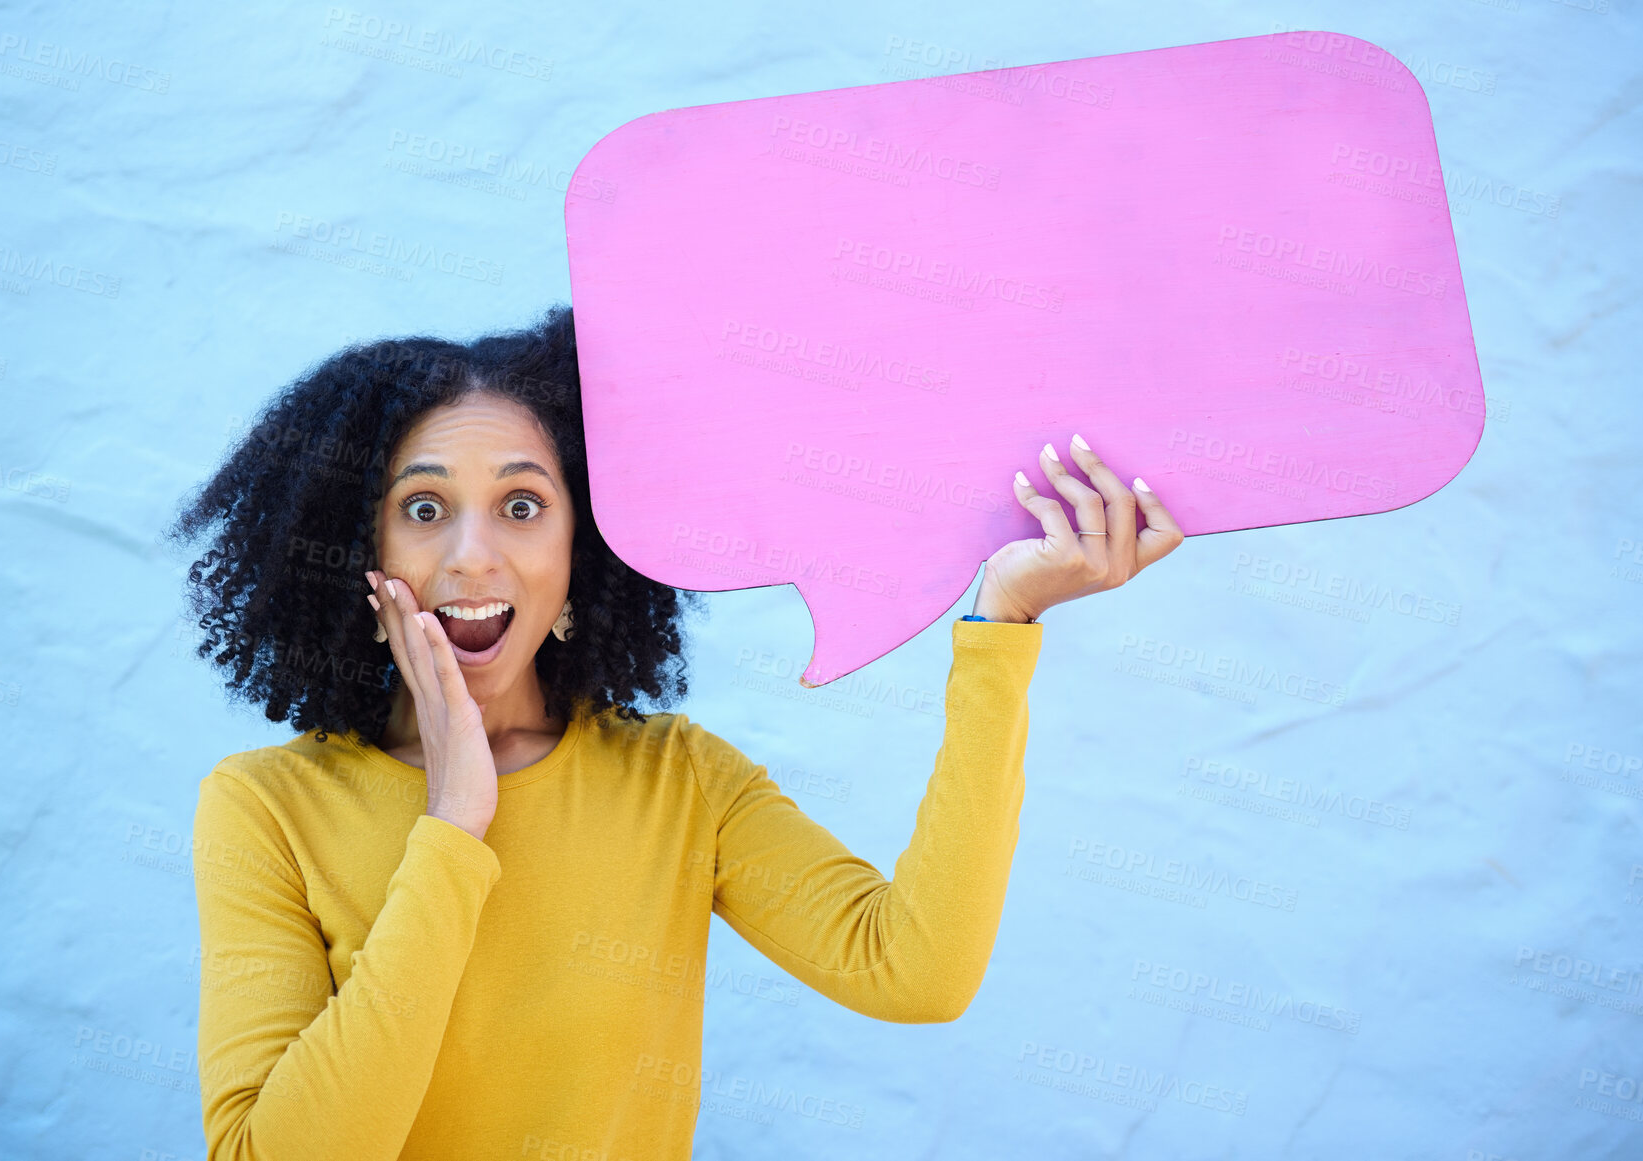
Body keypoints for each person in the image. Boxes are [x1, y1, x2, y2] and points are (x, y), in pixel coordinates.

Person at [168, 304, 1182, 1160]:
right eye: (423, 508)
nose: (473, 557)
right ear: (356, 547)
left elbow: (911, 970)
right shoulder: (265, 808)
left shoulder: (677, 781)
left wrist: (999, 627)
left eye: (522, 504)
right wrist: (452, 824)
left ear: (584, 550)